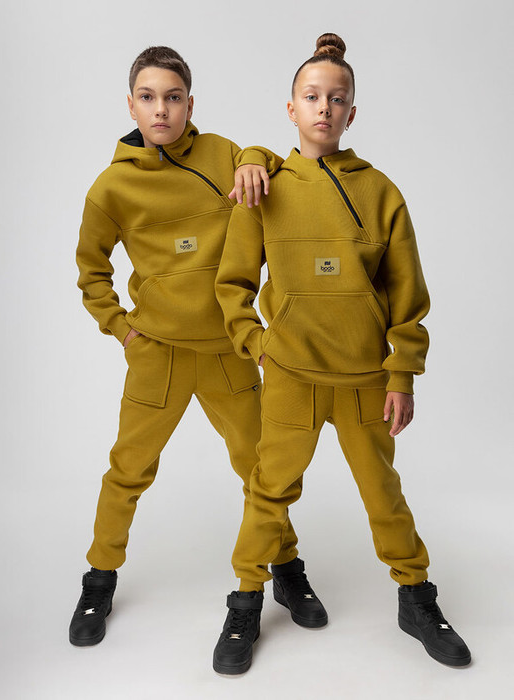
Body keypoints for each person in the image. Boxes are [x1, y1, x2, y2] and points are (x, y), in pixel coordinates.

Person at [213, 33, 471, 674]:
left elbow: (407, 295)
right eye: (311, 96)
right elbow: (233, 284)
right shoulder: (261, 186)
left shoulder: (382, 192)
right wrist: (258, 344)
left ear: (351, 113)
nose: (323, 107)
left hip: (364, 380)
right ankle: (245, 602)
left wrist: (403, 373)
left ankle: (417, 599)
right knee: (268, 493)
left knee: (384, 494)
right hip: (291, 376)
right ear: (291, 108)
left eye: (336, 98)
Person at [70, 45, 312, 647]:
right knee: (128, 469)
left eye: (172, 98)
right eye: (148, 98)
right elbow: (91, 273)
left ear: (190, 104)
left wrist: (253, 158)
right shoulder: (111, 187)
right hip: (157, 354)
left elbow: (268, 160)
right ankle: (99, 579)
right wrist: (122, 328)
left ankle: (286, 567)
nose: (161, 110)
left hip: (229, 349)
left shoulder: (220, 154)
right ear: (131, 105)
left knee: (263, 467)